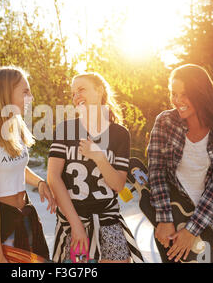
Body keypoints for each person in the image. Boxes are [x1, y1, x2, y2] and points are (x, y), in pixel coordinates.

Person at [47, 72, 144, 263]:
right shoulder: (66, 129)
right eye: (73, 93)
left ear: (99, 90)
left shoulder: (119, 134)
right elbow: (53, 178)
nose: (76, 97)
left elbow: (117, 185)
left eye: (81, 89)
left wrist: (98, 157)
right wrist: (76, 226)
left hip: (108, 222)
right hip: (73, 222)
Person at [148, 64, 213, 262]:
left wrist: (192, 231)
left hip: (211, 226)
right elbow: (156, 171)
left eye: (185, 94)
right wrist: (164, 219)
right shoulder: (165, 122)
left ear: (201, 94)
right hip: (172, 222)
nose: (177, 100)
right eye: (174, 93)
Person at [0, 66, 56, 263]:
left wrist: (40, 183)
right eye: (25, 91)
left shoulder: (15, 127)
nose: (31, 97)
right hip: (2, 225)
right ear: (5, 93)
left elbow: (15, 167)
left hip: (26, 216)